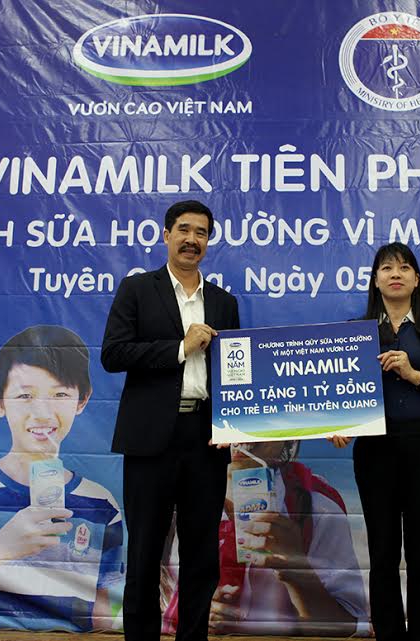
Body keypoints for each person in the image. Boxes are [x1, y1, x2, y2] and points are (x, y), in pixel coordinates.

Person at [101, 199, 240, 641]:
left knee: (202, 555)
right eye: (184, 230)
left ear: (208, 242)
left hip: (205, 439)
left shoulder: (224, 302)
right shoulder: (138, 289)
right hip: (151, 439)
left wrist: (230, 424)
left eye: (201, 233)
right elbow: (113, 354)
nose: (191, 240)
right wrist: (180, 348)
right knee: (145, 553)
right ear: (166, 235)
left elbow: (234, 373)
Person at [0, 325, 124, 631]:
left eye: (60, 394)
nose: (42, 412)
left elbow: (102, 612)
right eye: (25, 396)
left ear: (82, 400)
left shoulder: (101, 504)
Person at [330, 242, 420, 641]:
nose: (396, 274)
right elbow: (337, 392)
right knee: (383, 552)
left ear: (417, 279)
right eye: (387, 268)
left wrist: (415, 376)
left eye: (405, 267)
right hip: (374, 449)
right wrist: (338, 423)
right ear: (375, 280)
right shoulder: (355, 332)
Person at [160, 441, 367, 636]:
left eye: (255, 418)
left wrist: (297, 572)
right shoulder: (167, 498)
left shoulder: (316, 508)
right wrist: (196, 613)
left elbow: (348, 626)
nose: (241, 433)